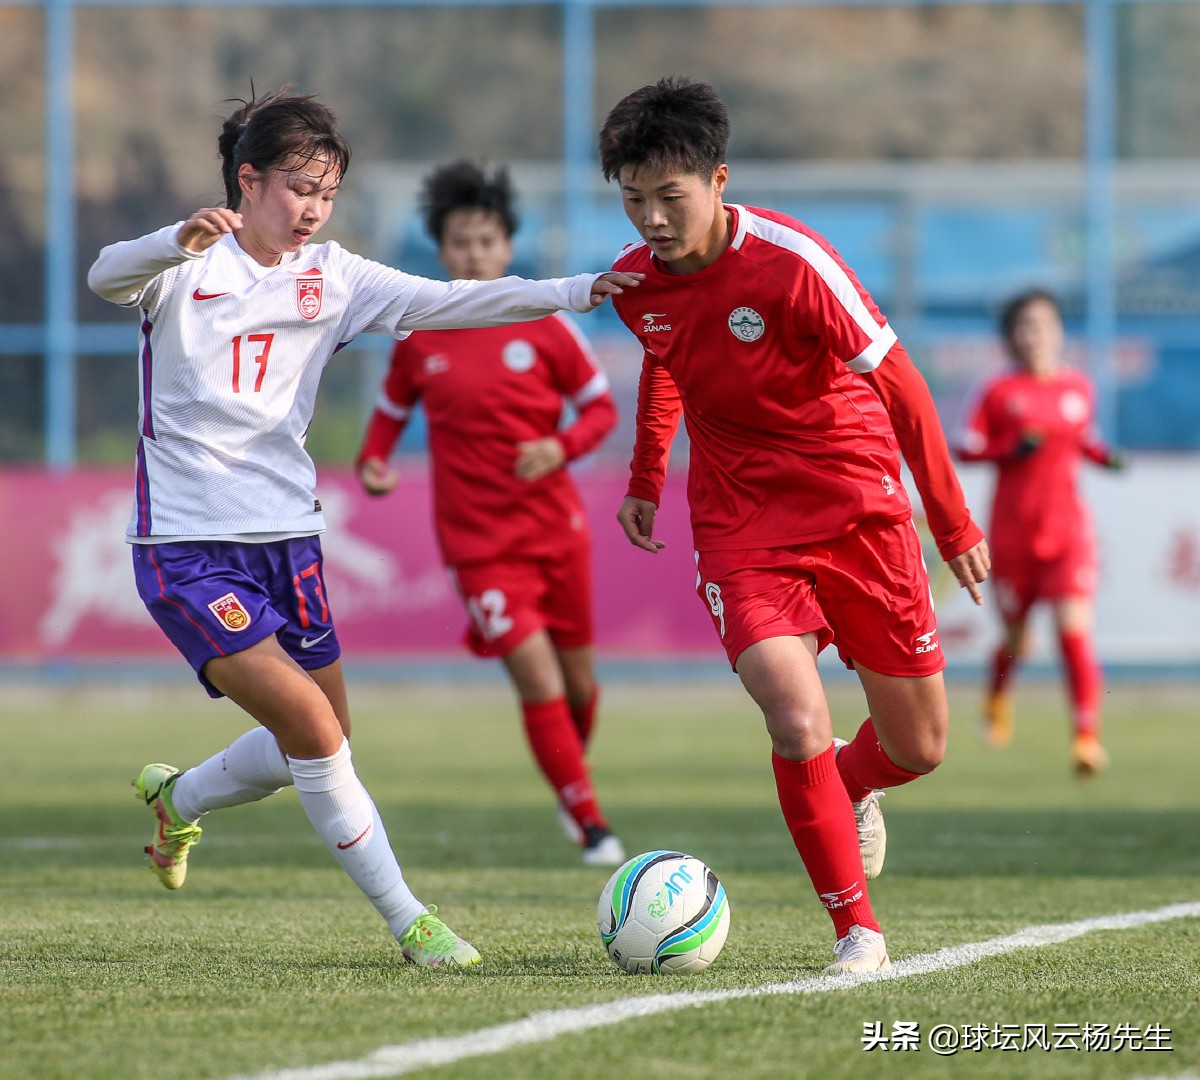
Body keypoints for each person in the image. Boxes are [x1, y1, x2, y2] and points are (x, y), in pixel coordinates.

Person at [86, 87, 639, 969]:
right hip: (186, 552)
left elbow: (456, 298)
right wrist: (169, 241)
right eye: (298, 187)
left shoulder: (334, 277)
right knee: (312, 727)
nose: (311, 209)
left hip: (289, 543)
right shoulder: (182, 266)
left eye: (327, 193)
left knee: (324, 737)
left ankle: (178, 797)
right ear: (248, 179)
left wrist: (578, 289)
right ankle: (411, 921)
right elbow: (104, 275)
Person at [599, 77, 990, 974]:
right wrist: (649, 472)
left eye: (671, 196)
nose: (653, 219)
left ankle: (851, 786)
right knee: (794, 716)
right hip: (741, 525)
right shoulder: (635, 285)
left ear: (718, 179)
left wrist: (953, 519)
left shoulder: (793, 261)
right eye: (633, 199)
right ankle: (858, 931)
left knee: (918, 747)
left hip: (858, 510)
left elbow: (901, 384)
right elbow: (668, 355)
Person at [354, 160, 625, 866]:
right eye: (458, 243)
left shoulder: (544, 322)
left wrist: (559, 446)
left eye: (485, 241)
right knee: (537, 681)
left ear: (507, 246)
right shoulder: (421, 331)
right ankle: (592, 823)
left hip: (555, 529)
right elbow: (389, 413)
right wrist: (373, 461)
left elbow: (600, 410)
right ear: (440, 251)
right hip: (478, 545)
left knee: (580, 686)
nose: (472, 255)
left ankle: (571, 782)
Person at [956, 289, 1124, 775]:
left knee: (1074, 634)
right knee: (1017, 642)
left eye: (1045, 325)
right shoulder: (998, 392)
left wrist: (1104, 456)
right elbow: (968, 447)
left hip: (1068, 535)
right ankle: (995, 700)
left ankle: (1086, 739)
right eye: (1025, 327)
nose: (1036, 336)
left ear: (1059, 332)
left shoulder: (1079, 388)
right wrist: (1009, 448)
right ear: (1011, 338)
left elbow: (1084, 440)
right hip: (1013, 538)